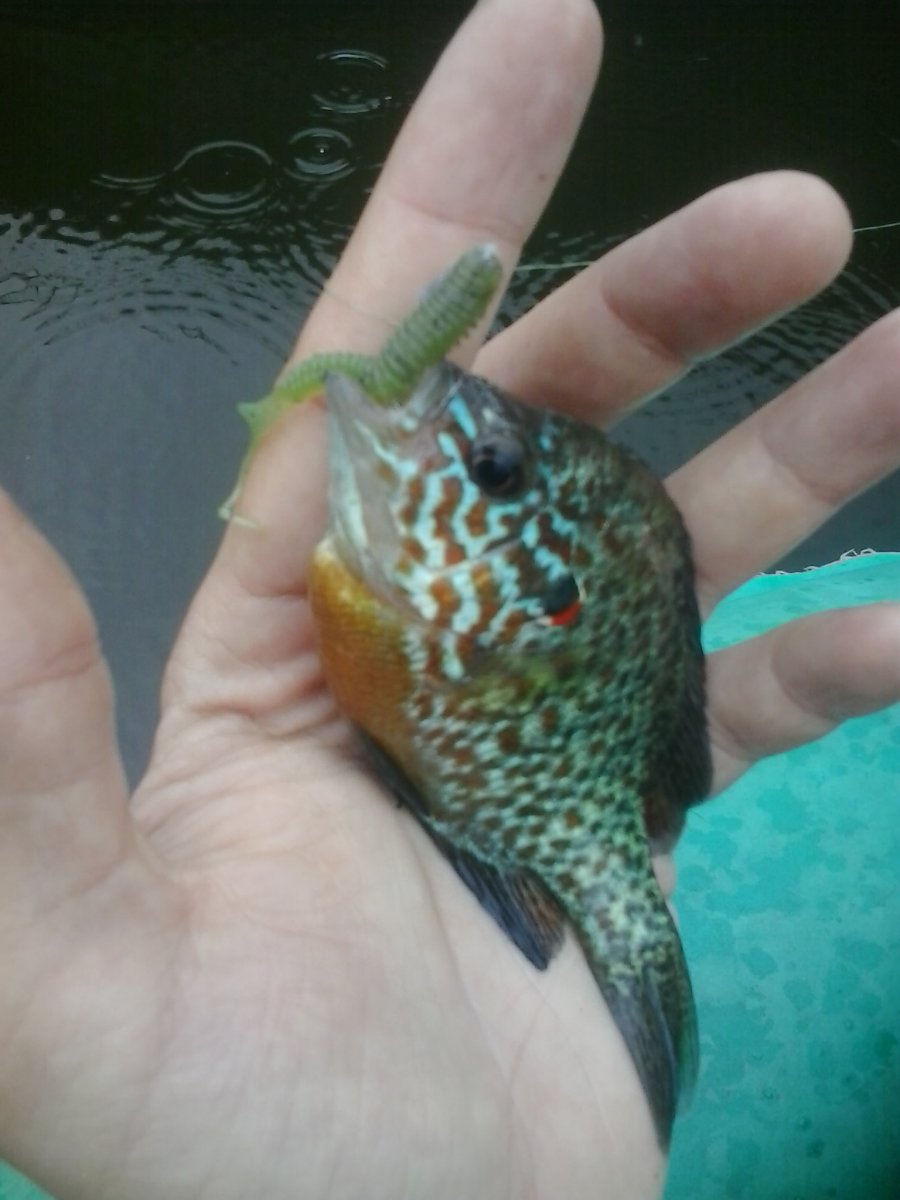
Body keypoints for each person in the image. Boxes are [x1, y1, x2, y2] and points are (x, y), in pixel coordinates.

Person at [1, 2, 898, 1197]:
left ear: (525, 590)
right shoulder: (407, 578)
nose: (438, 411)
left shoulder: (444, 608)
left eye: (489, 469)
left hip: (534, 796)